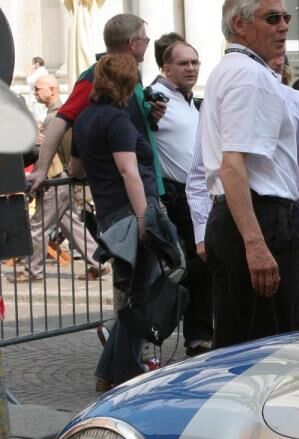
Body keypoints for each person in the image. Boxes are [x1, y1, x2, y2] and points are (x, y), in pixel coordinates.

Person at [69, 54, 181, 392]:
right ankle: (125, 373)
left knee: (136, 293)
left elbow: (75, 171)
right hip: (130, 214)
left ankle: (108, 373)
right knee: (142, 295)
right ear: (127, 83)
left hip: (109, 216)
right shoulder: (116, 120)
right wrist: (144, 216)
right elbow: (129, 171)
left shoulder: (85, 119)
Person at [199, 0, 299, 349]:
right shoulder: (248, 74)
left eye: (286, 17)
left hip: (248, 217)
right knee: (265, 351)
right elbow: (232, 164)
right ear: (240, 25)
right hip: (258, 218)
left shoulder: (235, 70)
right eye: (272, 18)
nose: (284, 26)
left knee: (244, 342)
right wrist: (256, 244)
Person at [27, 14, 167, 198]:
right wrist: (42, 169)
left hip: (146, 183)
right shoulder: (95, 77)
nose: (147, 44)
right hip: (125, 193)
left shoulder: (132, 74)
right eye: (145, 40)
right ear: (132, 43)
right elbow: (61, 120)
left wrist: (151, 115)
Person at [149, 34, 213, 356]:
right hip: (178, 197)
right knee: (191, 270)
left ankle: (199, 335)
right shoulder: (154, 99)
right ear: (165, 68)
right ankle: (160, 332)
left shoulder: (191, 100)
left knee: (201, 269)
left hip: (201, 195)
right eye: (183, 63)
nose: (191, 68)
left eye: (195, 62)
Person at [11, 75, 101, 283]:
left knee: (38, 227)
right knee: (71, 225)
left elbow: (69, 147)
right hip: (58, 178)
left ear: (52, 89)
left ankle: (33, 271)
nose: (35, 93)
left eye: (38, 89)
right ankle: (99, 262)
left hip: (55, 178)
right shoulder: (53, 116)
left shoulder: (58, 117)